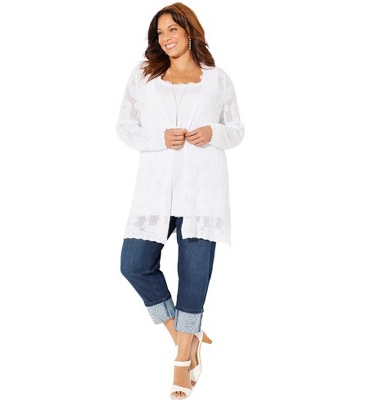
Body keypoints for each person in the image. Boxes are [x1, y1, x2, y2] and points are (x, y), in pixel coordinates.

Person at [116, 2, 244, 399]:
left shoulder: (217, 79)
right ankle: (184, 337)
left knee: (193, 277)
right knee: (133, 264)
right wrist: (159, 139)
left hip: (202, 191)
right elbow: (124, 126)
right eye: (160, 33)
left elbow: (237, 129)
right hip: (156, 190)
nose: (166, 38)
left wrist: (213, 133)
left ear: (189, 31)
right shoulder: (144, 76)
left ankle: (182, 363)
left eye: (172, 29)